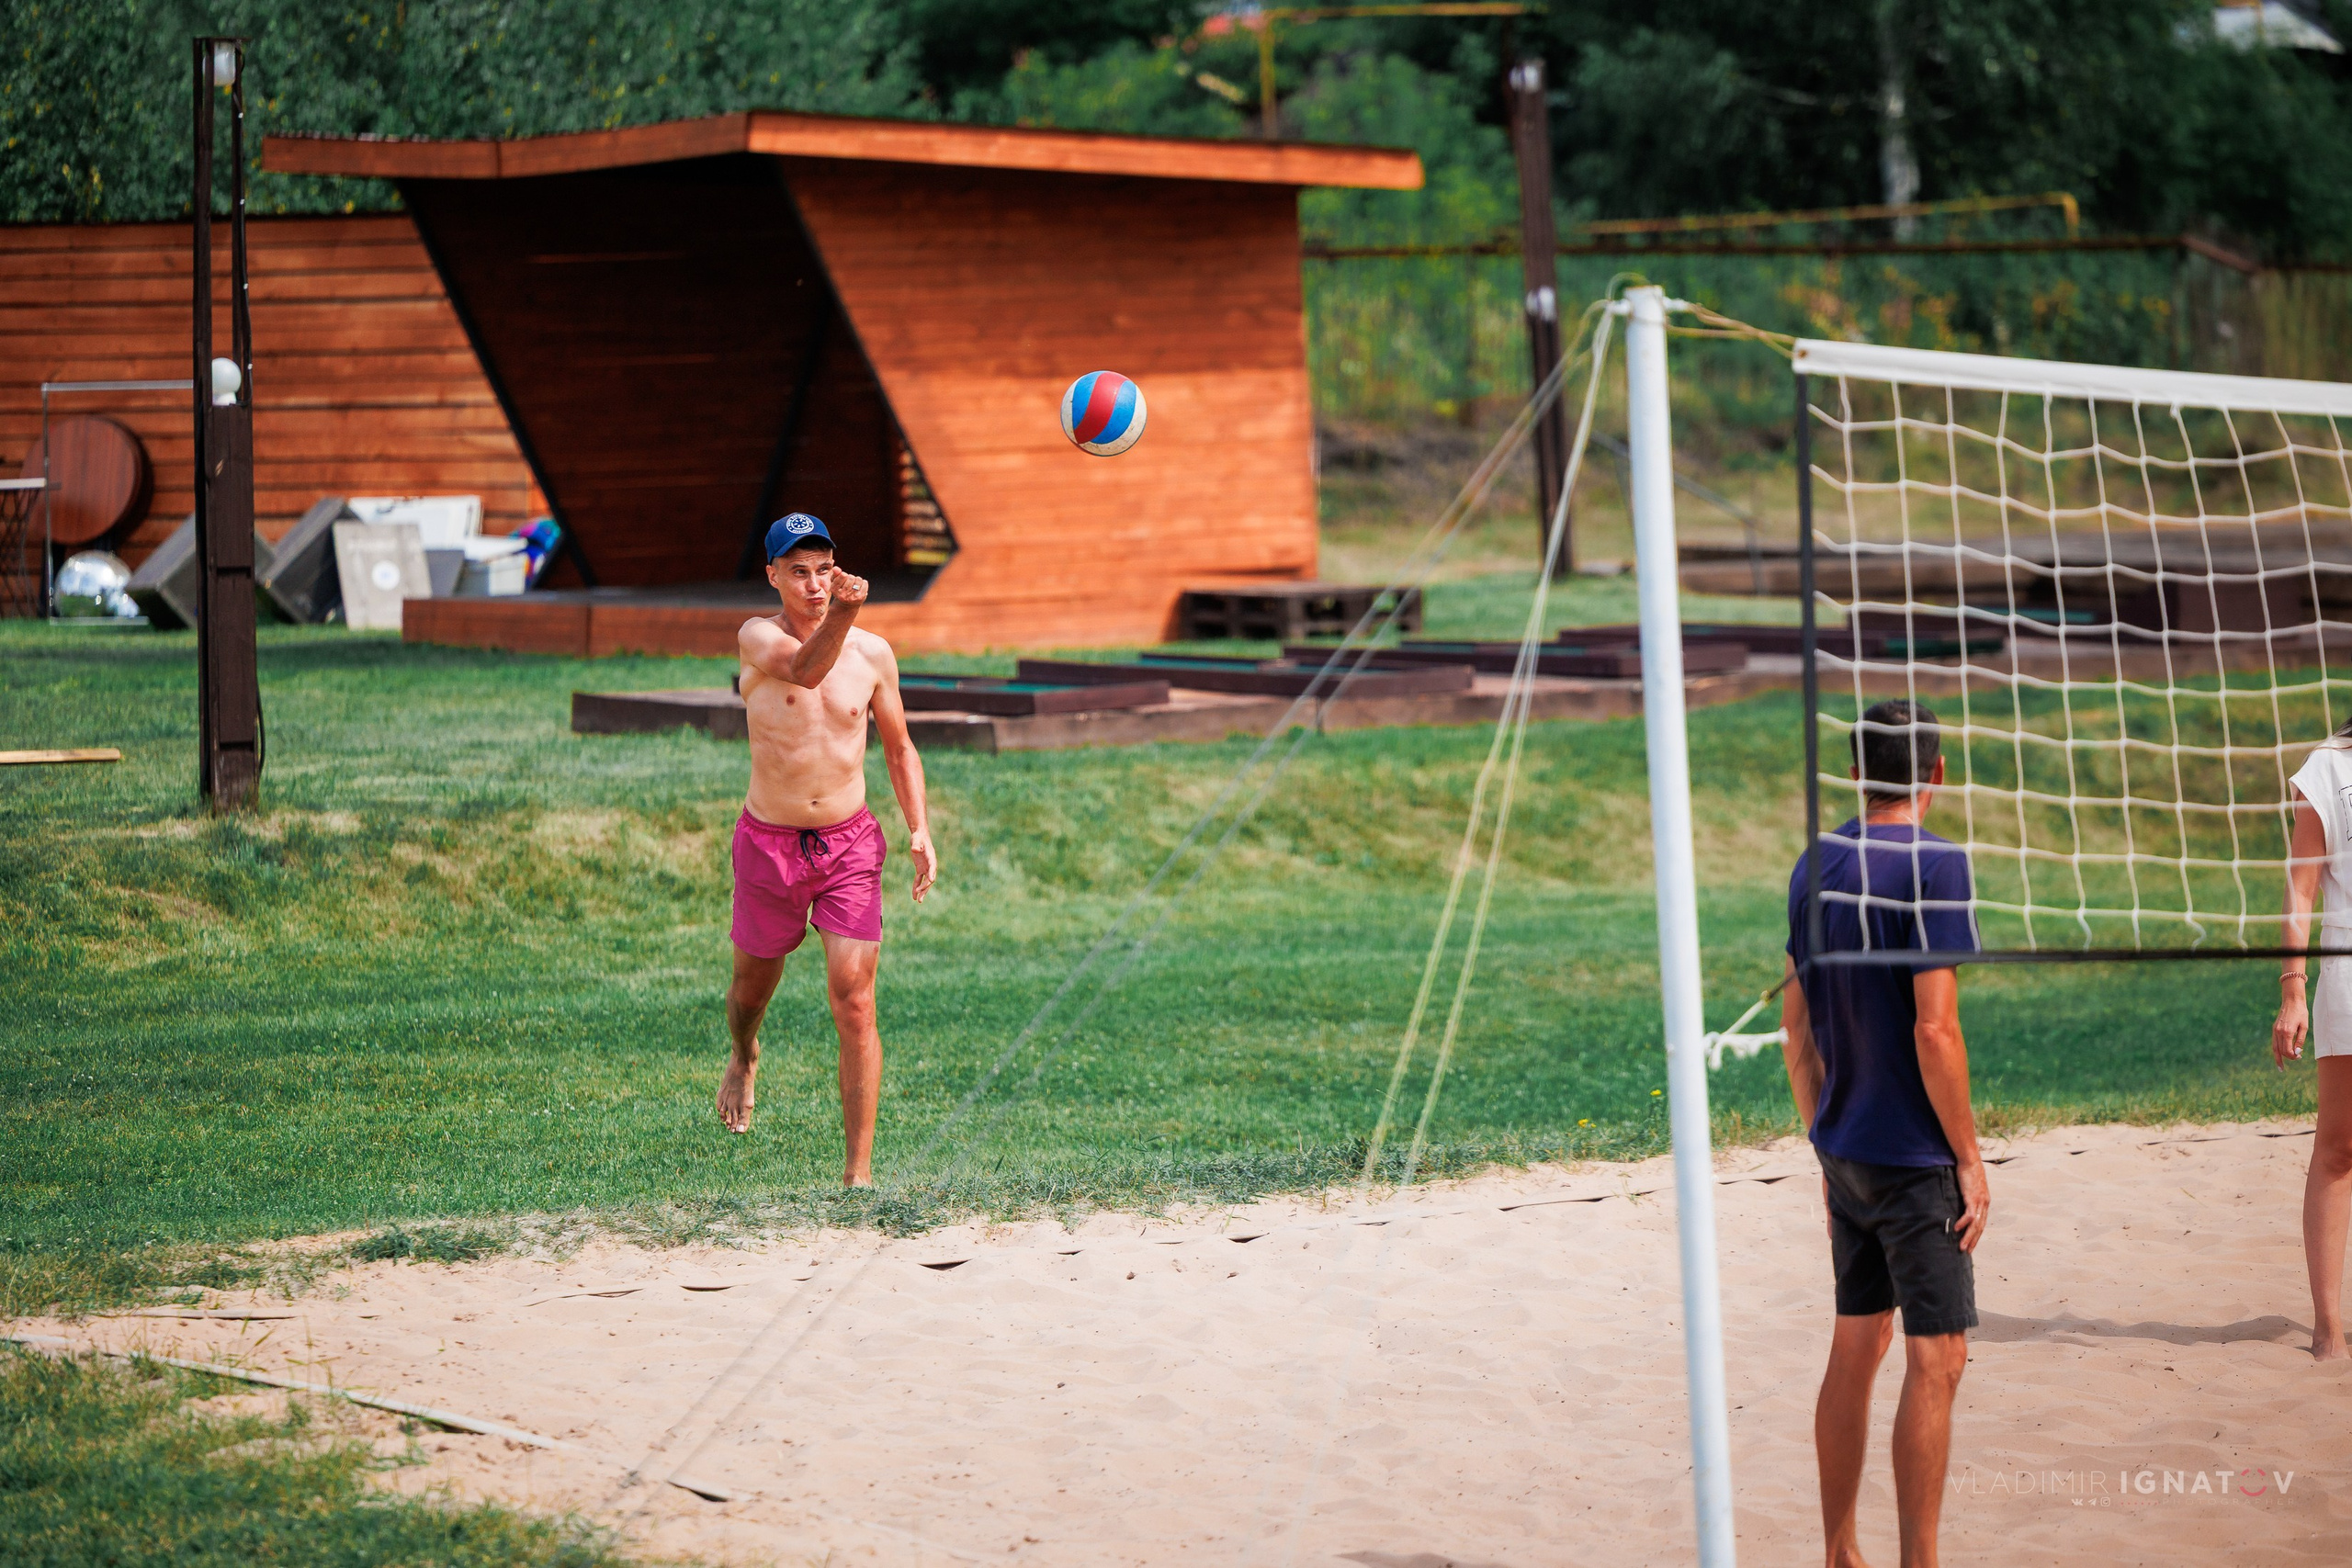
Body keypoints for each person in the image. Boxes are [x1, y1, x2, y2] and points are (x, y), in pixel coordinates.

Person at [1781, 697, 1987, 1568]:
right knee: (1936, 1360)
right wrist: (1971, 1160)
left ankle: (1838, 1551)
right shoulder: (1938, 865)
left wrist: (1823, 1150)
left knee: (1855, 1344)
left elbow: (1796, 1031)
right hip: (1911, 1159)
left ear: (1858, 773)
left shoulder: (1815, 861)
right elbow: (1934, 1030)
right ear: (1936, 773)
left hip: (1848, 1151)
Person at [716, 513, 937, 1188]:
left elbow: (898, 746)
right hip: (769, 844)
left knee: (855, 997)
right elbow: (809, 672)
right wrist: (843, 613)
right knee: (752, 989)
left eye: (824, 569)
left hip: (849, 844)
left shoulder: (873, 653)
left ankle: (858, 1176)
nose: (814, 584)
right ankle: (745, 1054)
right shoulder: (758, 638)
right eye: (799, 571)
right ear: (774, 576)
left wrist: (919, 827)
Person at [2269, 720, 2352, 1360]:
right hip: (2348, 971)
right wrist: (2293, 991)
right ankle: (2329, 1330)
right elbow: (2300, 887)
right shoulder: (2327, 766)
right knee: (2340, 1147)